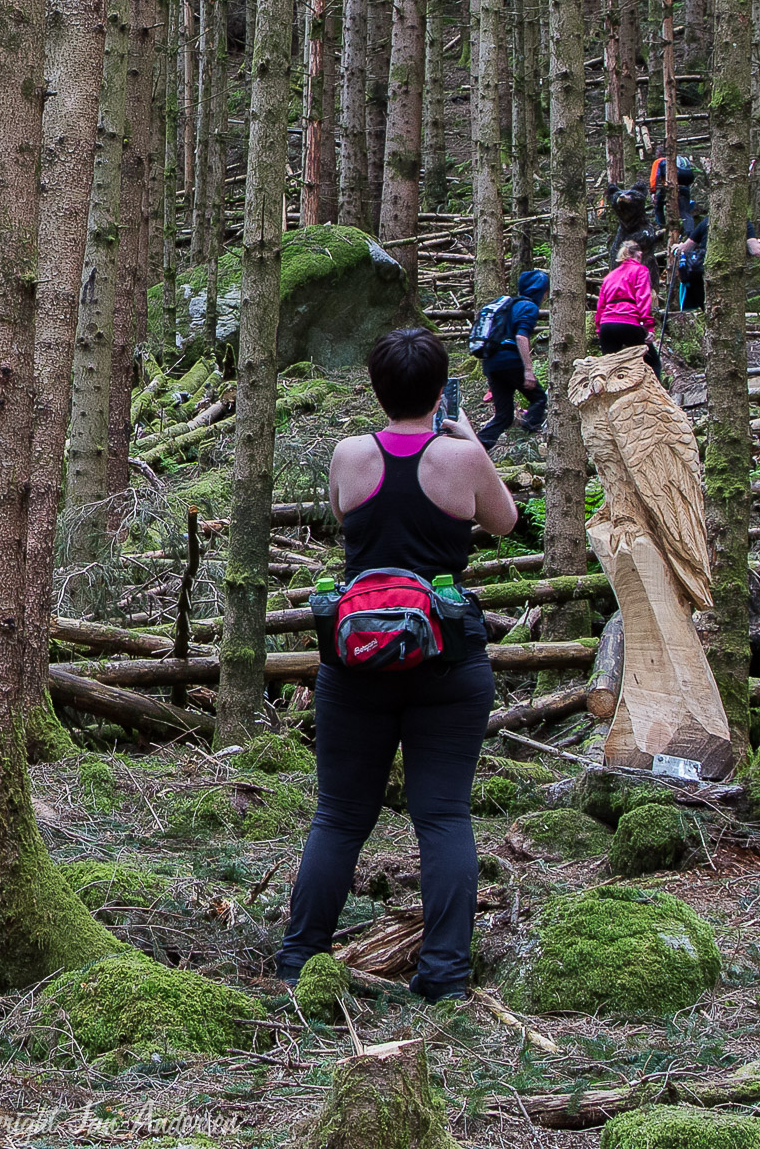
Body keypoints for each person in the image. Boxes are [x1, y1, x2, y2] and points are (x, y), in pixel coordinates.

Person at [276, 326, 517, 1003]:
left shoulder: (350, 455)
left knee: (338, 816)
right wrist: (469, 443)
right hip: (447, 659)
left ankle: (299, 961)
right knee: (443, 817)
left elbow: (341, 514)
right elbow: (504, 521)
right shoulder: (462, 457)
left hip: (355, 660)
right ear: (441, 390)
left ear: (376, 389)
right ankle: (444, 975)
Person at [476, 267, 548, 450]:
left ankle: (477, 446)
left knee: (504, 416)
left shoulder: (508, 304)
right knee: (540, 398)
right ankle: (527, 438)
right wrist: (528, 370)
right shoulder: (529, 307)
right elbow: (521, 337)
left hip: (491, 362)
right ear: (539, 291)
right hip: (510, 361)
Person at [671, 211, 760, 313]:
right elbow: (756, 251)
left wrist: (678, 247)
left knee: (708, 309)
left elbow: (686, 248)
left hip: (703, 274)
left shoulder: (707, 221)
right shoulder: (743, 222)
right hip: (731, 275)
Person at [595, 240, 662, 377]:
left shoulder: (610, 276)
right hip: (628, 322)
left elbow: (600, 306)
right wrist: (649, 327)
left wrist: (599, 329)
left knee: (610, 368)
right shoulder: (640, 270)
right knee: (652, 363)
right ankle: (653, 389)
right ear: (638, 254)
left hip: (607, 325)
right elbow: (643, 299)